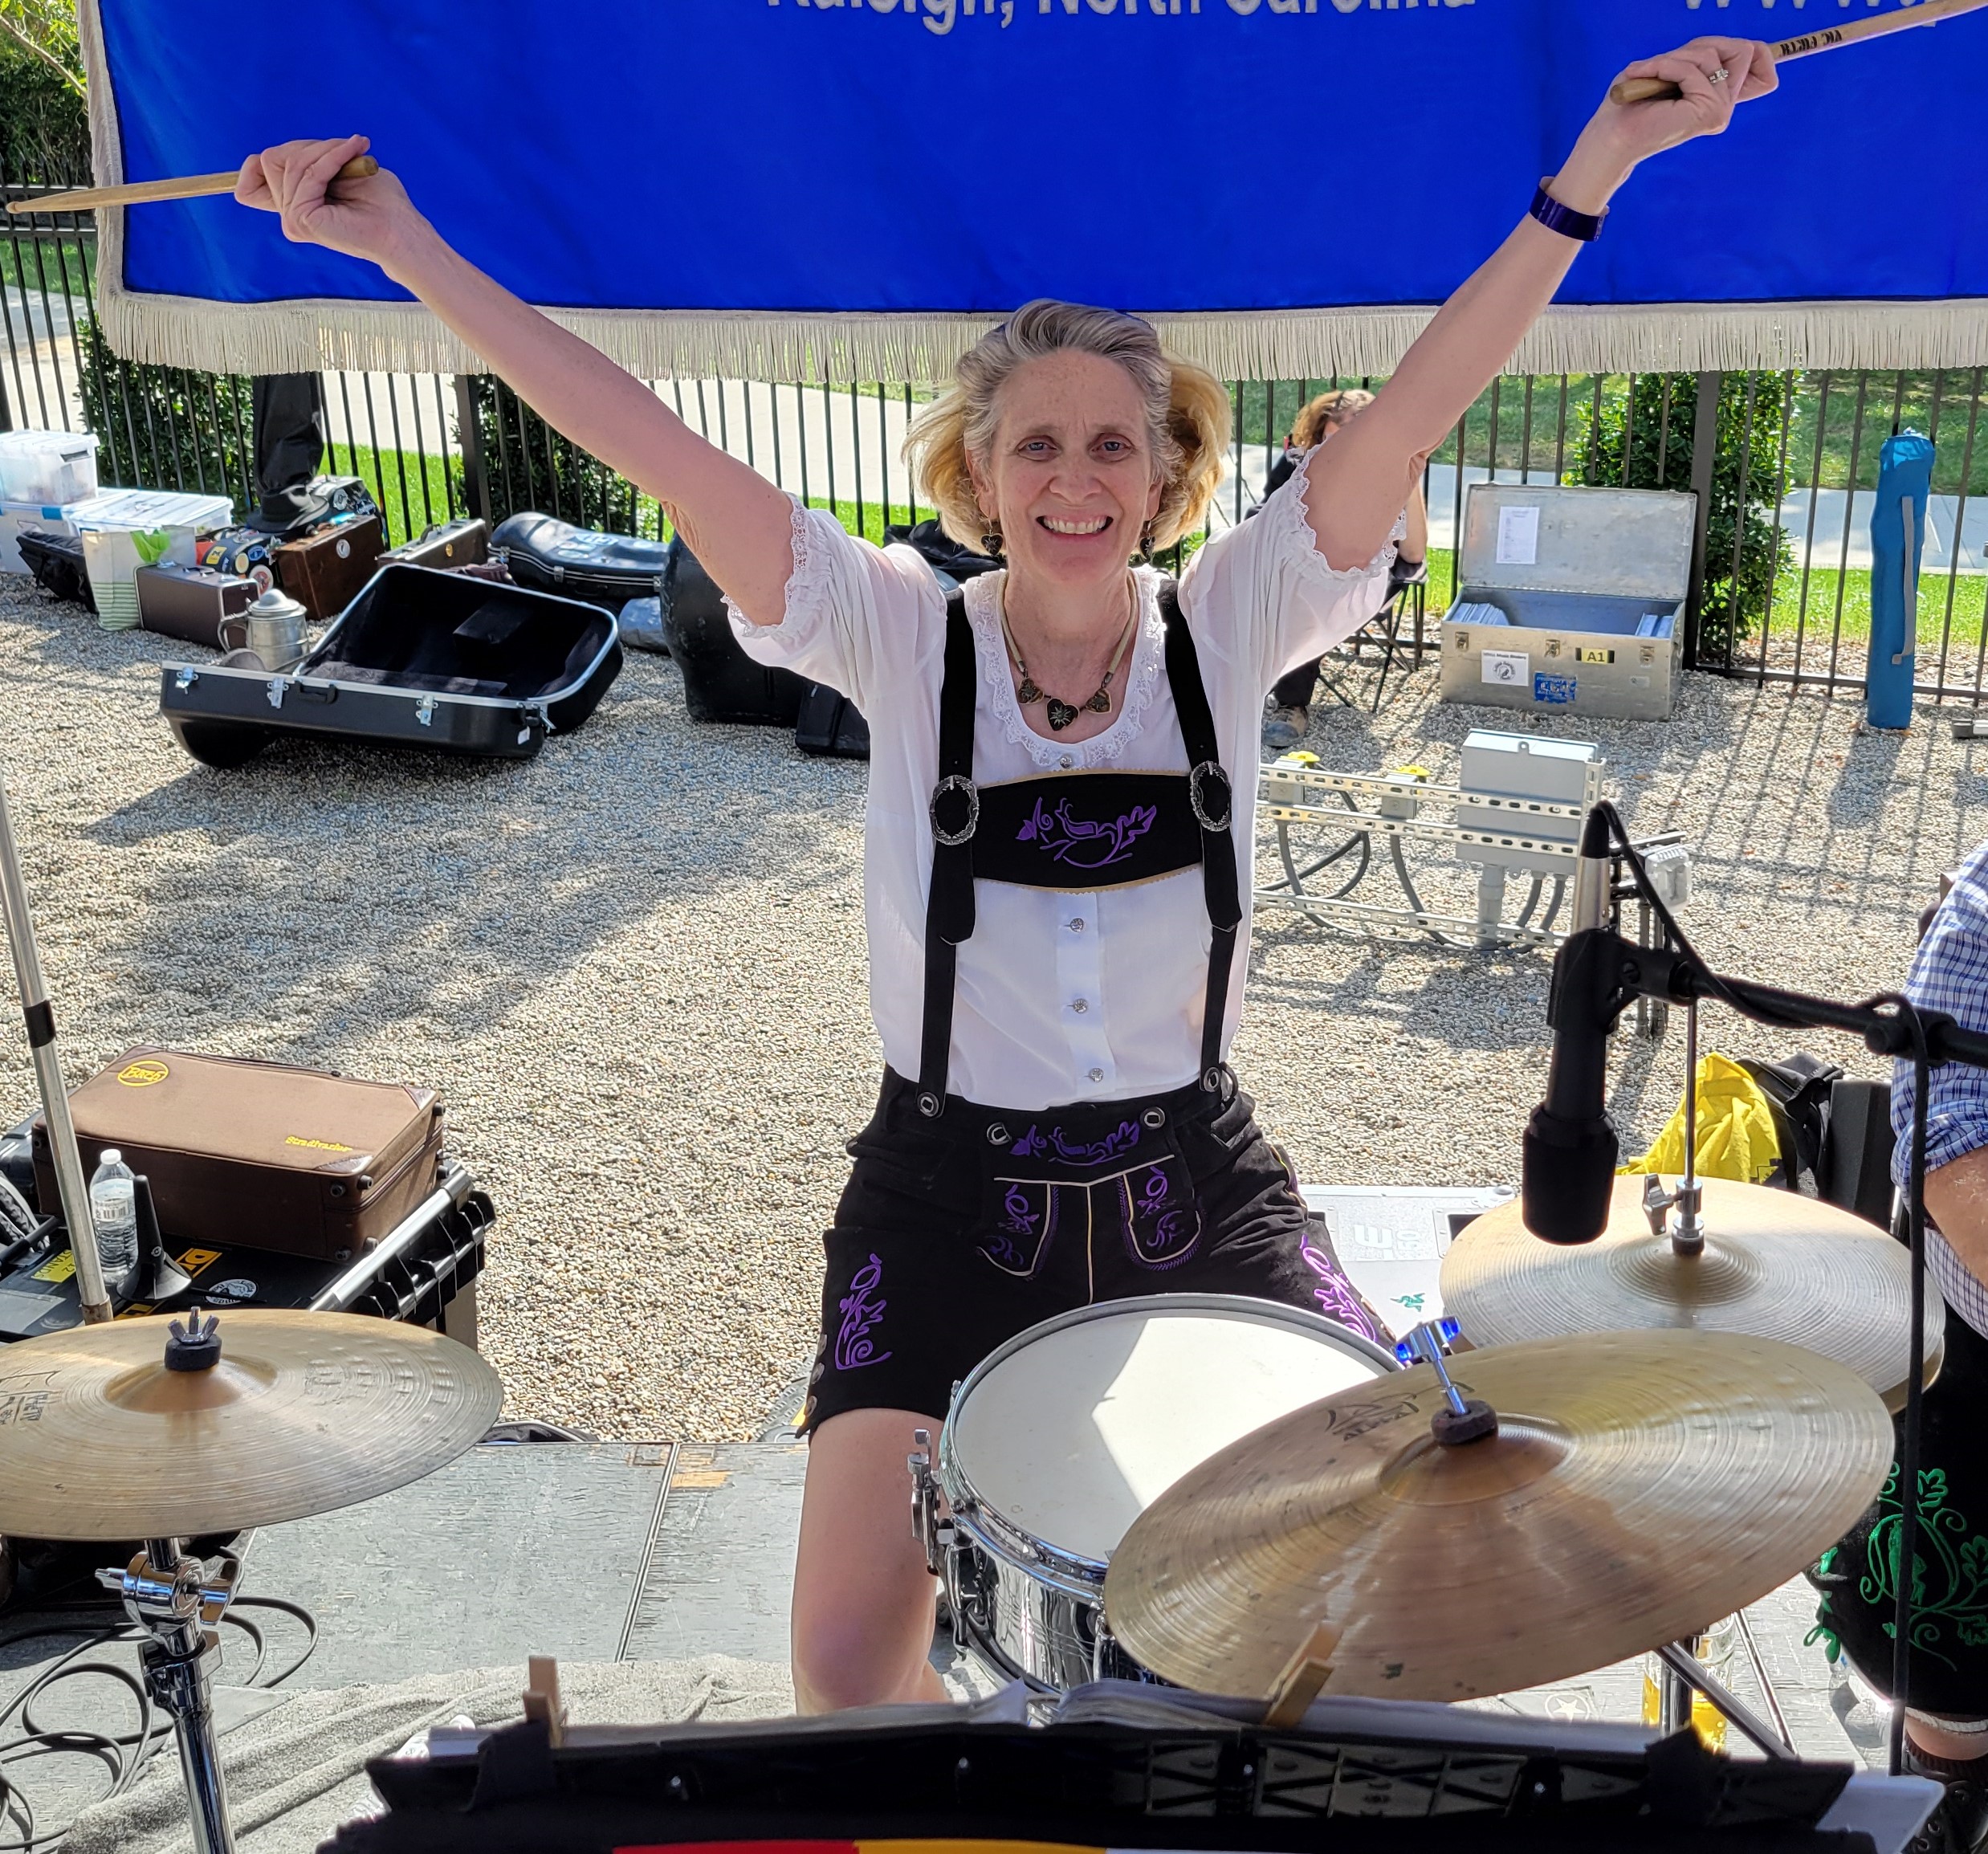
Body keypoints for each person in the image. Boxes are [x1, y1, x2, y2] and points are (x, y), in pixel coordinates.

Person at [238, 32, 1775, 1713]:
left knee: (1384, 1577)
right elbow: (647, 437)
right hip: (944, 1189)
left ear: (1168, 477)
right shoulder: (895, 633)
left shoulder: (1235, 617)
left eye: (1112, 445)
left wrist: (1591, 177)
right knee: (842, 1680)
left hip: (1200, 1182)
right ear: (974, 479)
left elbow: (1426, 395)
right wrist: (401, 246)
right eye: (1033, 445)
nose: (1072, 479)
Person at [1811, 847, 1988, 1854]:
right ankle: (1947, 1774)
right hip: (1977, 1344)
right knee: (1931, 1610)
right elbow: (1948, 1127)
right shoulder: (1986, 908)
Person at [1259, 389, 1429, 750]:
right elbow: (1262, 524)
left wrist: (1409, 477)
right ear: (1322, 430)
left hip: (1367, 579)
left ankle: (1290, 704)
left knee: (1310, 598)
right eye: (1335, 437)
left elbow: (1412, 557)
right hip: (1294, 571)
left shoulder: (1391, 475)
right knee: (1291, 587)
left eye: (1358, 438)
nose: (1343, 450)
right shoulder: (1296, 464)